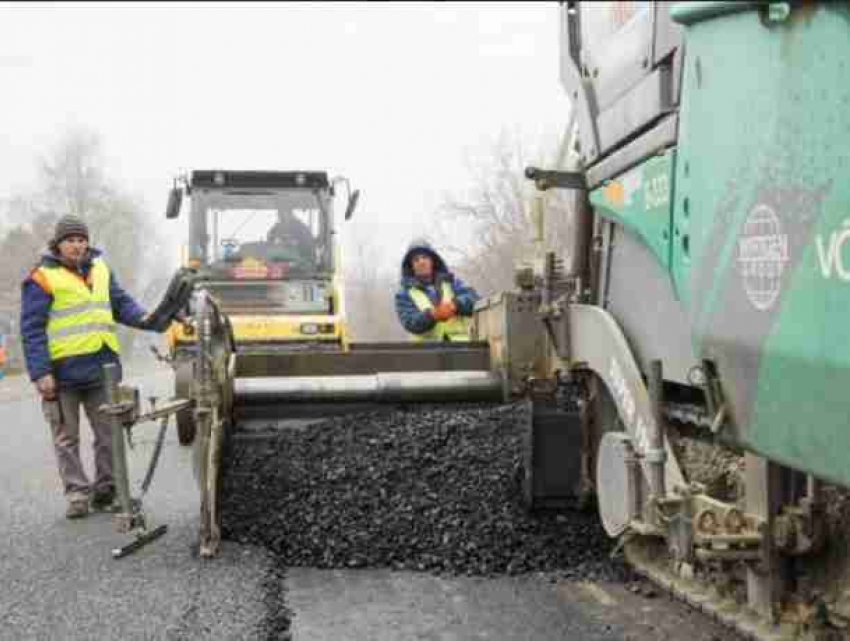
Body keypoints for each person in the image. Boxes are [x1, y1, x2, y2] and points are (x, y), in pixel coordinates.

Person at [20, 215, 162, 519]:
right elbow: (31, 329)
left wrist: (146, 319)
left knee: (108, 432)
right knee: (66, 437)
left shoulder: (100, 268)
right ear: (58, 245)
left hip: (102, 367)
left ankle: (106, 490)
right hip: (62, 373)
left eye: (81, 239)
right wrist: (40, 372)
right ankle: (77, 494)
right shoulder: (42, 278)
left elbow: (121, 303)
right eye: (71, 240)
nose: (77, 245)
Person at [395, 239, 480, 341]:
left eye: (425, 257)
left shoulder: (452, 282)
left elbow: (474, 299)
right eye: (416, 259)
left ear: (432, 261)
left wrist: (456, 305)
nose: (421, 262)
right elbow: (410, 322)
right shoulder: (403, 294)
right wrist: (433, 315)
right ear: (411, 266)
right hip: (426, 354)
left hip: (460, 349)